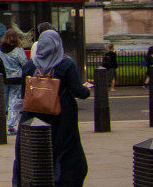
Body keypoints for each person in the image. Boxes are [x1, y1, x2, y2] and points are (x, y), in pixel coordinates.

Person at [11, 31, 92, 187]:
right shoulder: (66, 64)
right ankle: (60, 177)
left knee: (35, 149)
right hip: (61, 115)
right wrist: (86, 90)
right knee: (63, 148)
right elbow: (77, 90)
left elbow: (23, 94)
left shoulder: (30, 65)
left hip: (33, 115)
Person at [0, 29, 27, 134]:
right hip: (17, 79)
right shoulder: (18, 50)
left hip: (3, 78)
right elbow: (24, 64)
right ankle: (10, 125)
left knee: (3, 102)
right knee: (13, 102)